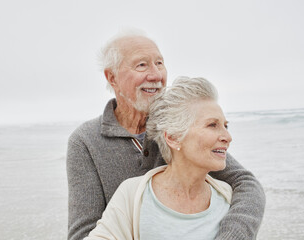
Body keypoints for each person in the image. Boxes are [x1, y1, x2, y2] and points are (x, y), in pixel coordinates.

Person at [67, 31, 265, 240]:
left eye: (159, 63)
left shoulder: (180, 126)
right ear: (112, 77)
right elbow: (83, 233)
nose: (156, 75)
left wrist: (232, 235)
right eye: (141, 65)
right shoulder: (85, 141)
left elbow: (245, 183)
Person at [84, 76, 234, 240]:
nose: (227, 136)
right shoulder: (132, 195)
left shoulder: (228, 197)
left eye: (225, 126)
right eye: (212, 125)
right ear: (173, 137)